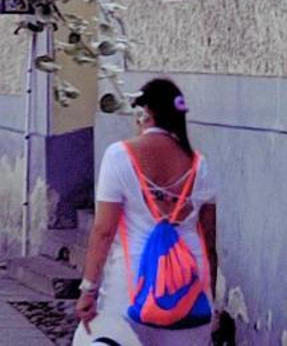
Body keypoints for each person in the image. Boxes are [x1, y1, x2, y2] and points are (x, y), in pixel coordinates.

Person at [75, 78, 219, 346]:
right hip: (189, 286)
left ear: (144, 114)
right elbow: (209, 240)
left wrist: (88, 289)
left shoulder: (118, 156)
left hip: (131, 283)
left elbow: (104, 231)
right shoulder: (200, 164)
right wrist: (210, 296)